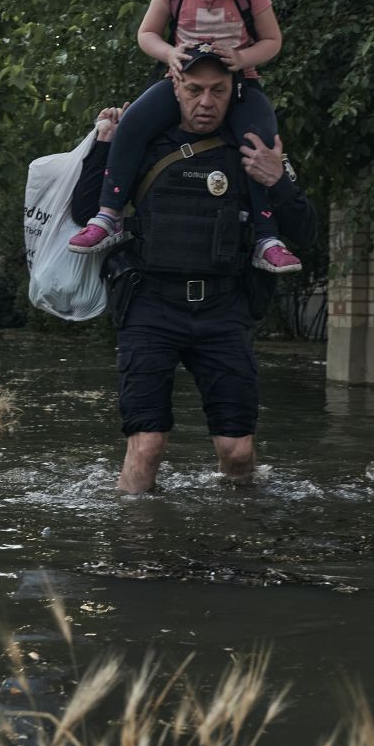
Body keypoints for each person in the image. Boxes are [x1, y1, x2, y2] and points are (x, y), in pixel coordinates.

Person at [70, 45, 317, 491]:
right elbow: (84, 211)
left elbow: (305, 231)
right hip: (150, 308)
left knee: (237, 453)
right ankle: (135, 552)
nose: (206, 102)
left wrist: (277, 179)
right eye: (196, 89)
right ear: (175, 87)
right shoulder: (141, 142)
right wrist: (103, 143)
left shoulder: (251, 148)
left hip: (224, 311)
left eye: (218, 90)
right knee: (147, 446)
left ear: (233, 91)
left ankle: (237, 545)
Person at [68, 0, 303, 276]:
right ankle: (108, 214)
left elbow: (272, 41)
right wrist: (169, 54)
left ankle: (266, 237)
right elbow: (147, 34)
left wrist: (242, 57)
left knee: (260, 143)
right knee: (132, 125)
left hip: (239, 84)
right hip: (182, 79)